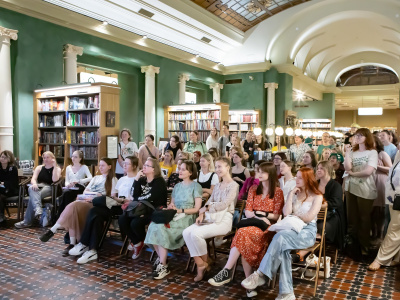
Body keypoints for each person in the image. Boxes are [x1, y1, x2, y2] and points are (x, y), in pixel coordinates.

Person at [241, 168, 323, 300]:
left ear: (308, 179)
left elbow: (309, 217)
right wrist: (290, 195)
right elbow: (286, 213)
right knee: (283, 249)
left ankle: (261, 274)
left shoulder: (317, 196)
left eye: (300, 178)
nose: (296, 179)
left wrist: (295, 216)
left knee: (280, 237)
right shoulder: (295, 194)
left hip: (307, 232)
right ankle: (287, 293)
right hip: (291, 230)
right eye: (296, 176)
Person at [42, 157, 138, 263]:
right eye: (123, 163)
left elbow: (115, 198)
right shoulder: (120, 180)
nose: (124, 165)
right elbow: (113, 197)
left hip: (115, 206)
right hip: (104, 204)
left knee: (85, 207)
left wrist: (108, 198)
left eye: (127, 163)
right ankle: (90, 249)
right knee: (90, 212)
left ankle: (80, 243)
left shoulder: (126, 180)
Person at [208, 162, 284, 295]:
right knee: (244, 236)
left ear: (270, 174)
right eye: (258, 171)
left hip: (268, 228)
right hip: (253, 223)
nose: (258, 174)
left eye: (262, 172)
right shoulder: (254, 189)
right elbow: (248, 212)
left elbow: (277, 215)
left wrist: (264, 215)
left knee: (242, 234)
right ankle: (248, 284)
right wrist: (260, 216)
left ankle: (227, 271)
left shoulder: (278, 192)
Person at [38, 158, 117, 255]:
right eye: (99, 165)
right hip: (86, 200)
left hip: (96, 203)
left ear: (109, 167)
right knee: (72, 208)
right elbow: (85, 191)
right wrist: (96, 193)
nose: (100, 167)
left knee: (73, 206)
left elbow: (112, 197)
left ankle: (54, 230)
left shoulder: (113, 179)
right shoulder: (96, 178)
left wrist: (96, 196)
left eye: (103, 165)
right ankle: (71, 243)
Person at [183, 157, 239, 282]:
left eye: (220, 166)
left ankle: (202, 265)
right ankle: (202, 264)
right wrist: (201, 213)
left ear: (227, 168)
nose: (217, 169)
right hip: (210, 217)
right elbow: (209, 201)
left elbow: (224, 204)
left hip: (224, 219)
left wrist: (207, 208)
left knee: (196, 234)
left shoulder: (234, 185)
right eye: (216, 166)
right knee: (186, 232)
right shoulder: (218, 185)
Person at [145, 161, 203, 279]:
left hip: (187, 217)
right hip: (175, 214)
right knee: (153, 225)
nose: (180, 171)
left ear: (190, 172)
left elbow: (197, 208)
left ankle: (162, 263)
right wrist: (171, 206)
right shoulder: (177, 186)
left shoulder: (196, 186)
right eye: (179, 168)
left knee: (162, 228)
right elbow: (172, 203)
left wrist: (180, 210)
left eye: (183, 169)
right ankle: (163, 262)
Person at [119, 158, 167, 259]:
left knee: (135, 223)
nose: (144, 167)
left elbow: (150, 197)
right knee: (122, 219)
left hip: (154, 210)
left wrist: (137, 198)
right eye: (144, 165)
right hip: (140, 208)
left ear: (154, 169)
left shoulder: (159, 181)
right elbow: (133, 195)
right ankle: (137, 242)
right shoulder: (141, 180)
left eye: (147, 165)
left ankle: (141, 241)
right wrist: (136, 179)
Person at [344, 128, 378, 257]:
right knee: (352, 219)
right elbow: (347, 168)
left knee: (364, 219)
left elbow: (368, 172)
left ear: (367, 137)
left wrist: (353, 174)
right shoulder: (353, 152)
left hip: (366, 189)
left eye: (360, 135)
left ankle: (364, 248)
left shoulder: (372, 153)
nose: (357, 137)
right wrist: (347, 152)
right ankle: (353, 248)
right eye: (356, 135)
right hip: (351, 188)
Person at [368, 152, 400, 271]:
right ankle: (396, 258)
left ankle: (380, 259)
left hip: (397, 199)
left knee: (394, 229)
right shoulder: (398, 156)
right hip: (393, 199)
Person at [15, 151, 61, 229]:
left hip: (51, 187)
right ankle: (38, 209)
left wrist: (54, 166)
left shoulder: (57, 168)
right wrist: (34, 184)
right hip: (39, 186)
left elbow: (55, 180)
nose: (45, 159)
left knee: (32, 198)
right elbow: (33, 179)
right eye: (44, 158)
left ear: (52, 158)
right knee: (31, 188)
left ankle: (27, 221)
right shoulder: (39, 167)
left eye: (47, 157)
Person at [315, 161, 345, 250]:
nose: (318, 171)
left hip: (331, 215)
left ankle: (309, 252)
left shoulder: (335, 185)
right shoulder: (315, 184)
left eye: (321, 168)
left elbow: (336, 203)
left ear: (328, 170)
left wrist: (318, 205)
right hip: (315, 214)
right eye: (317, 168)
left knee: (322, 228)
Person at [56, 150, 92, 219]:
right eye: (72, 156)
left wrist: (79, 181)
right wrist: (68, 185)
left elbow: (90, 178)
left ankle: (61, 217)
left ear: (80, 159)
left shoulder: (84, 167)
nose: (73, 158)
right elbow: (66, 180)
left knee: (65, 195)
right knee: (66, 193)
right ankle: (65, 217)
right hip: (70, 187)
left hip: (79, 187)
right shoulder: (68, 168)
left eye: (75, 157)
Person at [371, 136, 392, 243]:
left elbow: (390, 168)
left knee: (380, 210)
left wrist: (376, 166)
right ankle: (373, 233)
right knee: (371, 210)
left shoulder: (382, 154)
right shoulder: (367, 154)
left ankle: (380, 234)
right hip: (370, 183)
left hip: (380, 182)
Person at [0, 150, 19, 227]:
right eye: (1, 157)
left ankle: (1, 215)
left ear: (9, 159)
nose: (2, 159)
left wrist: (3, 183)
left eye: (4, 157)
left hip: (11, 190)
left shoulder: (13, 169)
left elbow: (13, 182)